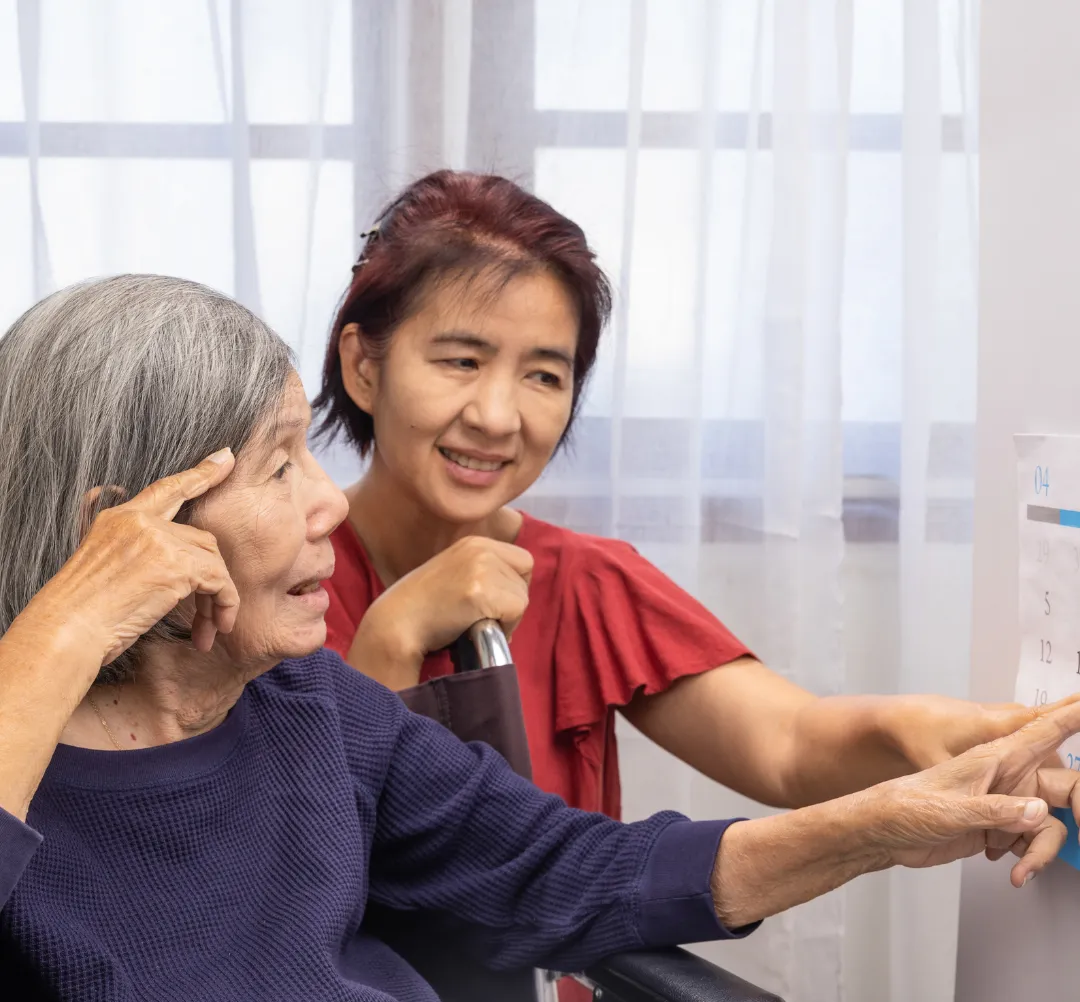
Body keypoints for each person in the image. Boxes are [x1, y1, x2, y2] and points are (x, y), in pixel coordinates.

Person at [2, 274, 1079, 1002]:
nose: (324, 501)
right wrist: (64, 634)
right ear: (125, 537)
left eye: (547, 373)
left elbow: (578, 869)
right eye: (279, 466)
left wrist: (883, 825)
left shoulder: (314, 708)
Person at [316, 169, 1032, 822]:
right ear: (363, 367)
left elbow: (787, 744)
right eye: (461, 361)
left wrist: (915, 731)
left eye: (544, 376)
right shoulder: (282, 586)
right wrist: (393, 634)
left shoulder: (585, 583)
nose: (499, 417)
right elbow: (305, 858)